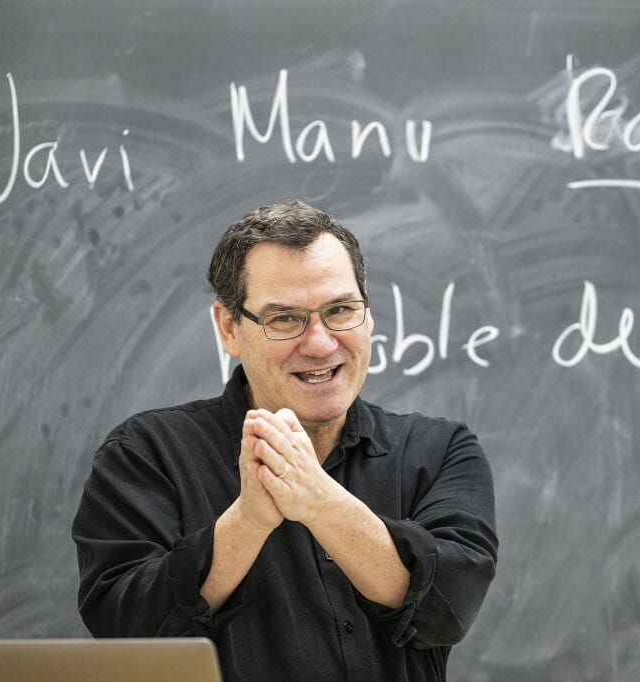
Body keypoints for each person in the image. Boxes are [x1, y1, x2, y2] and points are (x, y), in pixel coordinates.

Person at [72, 200, 498, 682]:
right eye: (284, 319)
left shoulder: (440, 452)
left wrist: (316, 500)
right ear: (229, 328)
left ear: (369, 315)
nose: (319, 343)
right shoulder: (145, 456)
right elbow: (127, 635)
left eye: (340, 310)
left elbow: (449, 605)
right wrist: (247, 523)